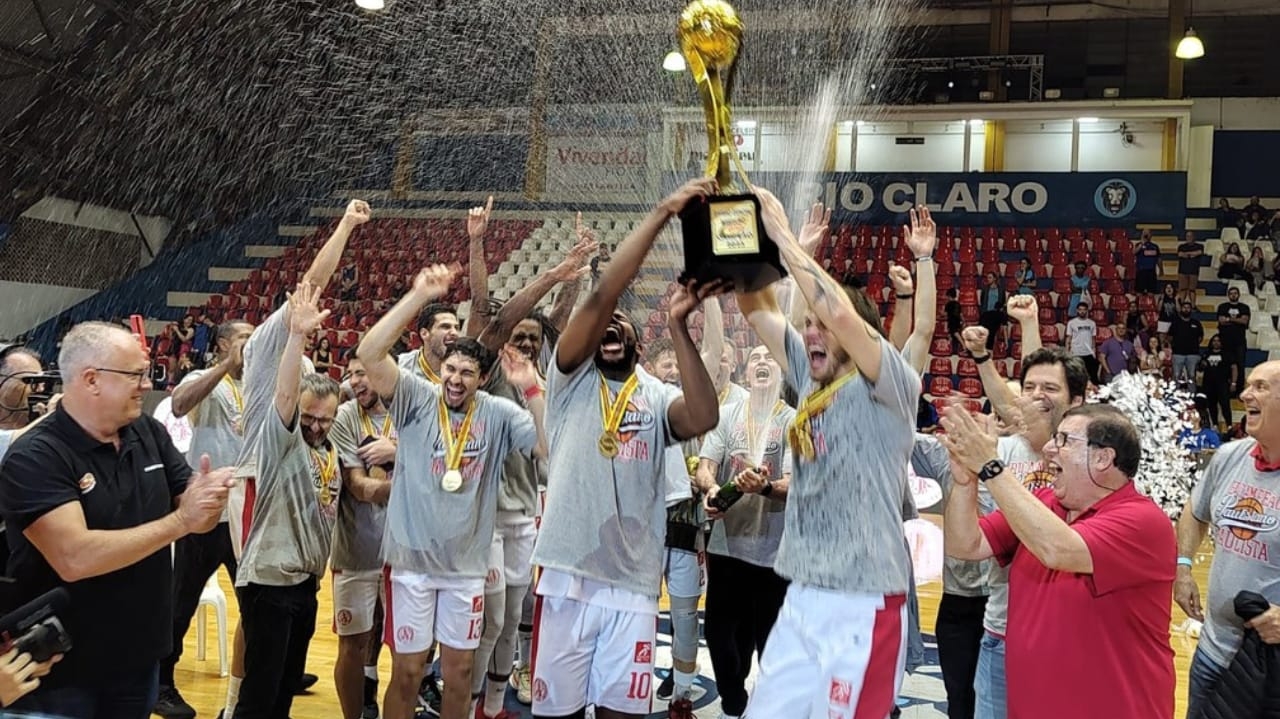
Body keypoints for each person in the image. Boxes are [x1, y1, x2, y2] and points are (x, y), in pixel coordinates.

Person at [528, 178, 721, 719]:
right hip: (567, 575)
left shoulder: (657, 396)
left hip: (633, 583)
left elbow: (704, 415)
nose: (611, 325)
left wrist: (680, 328)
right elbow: (602, 297)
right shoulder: (569, 378)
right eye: (604, 324)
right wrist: (662, 211)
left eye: (624, 326)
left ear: (638, 342)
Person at [731, 194, 919, 719]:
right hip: (801, 596)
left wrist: (787, 237)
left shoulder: (890, 387)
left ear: (859, 335)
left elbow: (837, 308)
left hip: (863, 603)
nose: (810, 330)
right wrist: (744, 237)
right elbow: (755, 307)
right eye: (808, 324)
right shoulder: (811, 378)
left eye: (821, 324)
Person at [0, 321, 235, 719]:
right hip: (58, 671)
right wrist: (180, 522)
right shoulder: (36, 456)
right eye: (136, 375)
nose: (147, 384)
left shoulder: (148, 432)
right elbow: (74, 557)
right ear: (91, 380)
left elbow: (198, 518)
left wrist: (207, 504)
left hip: (138, 659)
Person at [357, 265, 547, 719]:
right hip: (413, 565)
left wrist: (531, 388)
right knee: (406, 673)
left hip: (465, 569)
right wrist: (418, 294)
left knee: (459, 675)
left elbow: (545, 447)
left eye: (467, 372)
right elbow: (369, 351)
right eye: (450, 369)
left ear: (481, 379)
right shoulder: (417, 399)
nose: (456, 379)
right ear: (439, 370)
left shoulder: (498, 412)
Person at [941, 403, 1176, 719]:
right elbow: (964, 545)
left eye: (1065, 440)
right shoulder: (1045, 503)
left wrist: (991, 465)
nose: (1050, 448)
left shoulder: (1144, 522)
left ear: (1103, 458)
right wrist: (965, 483)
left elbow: (1057, 550)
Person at [955, 335, 1088, 719]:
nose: (1035, 396)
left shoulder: (1092, 465)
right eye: (1028, 387)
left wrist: (1028, 322)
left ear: (1076, 400)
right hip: (1001, 626)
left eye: (1049, 388)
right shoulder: (1002, 450)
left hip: (1066, 640)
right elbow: (971, 541)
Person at [234, 282, 344, 719]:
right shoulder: (282, 441)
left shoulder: (330, 450)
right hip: (269, 582)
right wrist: (297, 335)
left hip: (304, 585)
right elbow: (282, 396)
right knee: (259, 696)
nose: (316, 426)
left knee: (283, 692)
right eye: (310, 417)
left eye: (326, 419)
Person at [155, 319, 255, 719]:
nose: (251, 344)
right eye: (245, 338)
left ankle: (259, 671)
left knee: (257, 601)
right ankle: (162, 682)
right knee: (182, 602)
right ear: (224, 343)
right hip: (208, 510)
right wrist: (224, 365)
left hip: (247, 510)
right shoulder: (204, 377)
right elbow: (179, 405)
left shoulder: (258, 381)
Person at [1176, 360, 1280, 718]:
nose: (1245, 393)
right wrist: (1184, 566)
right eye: (1248, 384)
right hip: (1211, 653)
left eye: (1261, 387)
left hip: (1269, 669)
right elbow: (1194, 510)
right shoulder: (1229, 456)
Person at [696, 344, 795, 719]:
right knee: (720, 636)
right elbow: (706, 466)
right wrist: (710, 490)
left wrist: (765, 488)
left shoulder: (792, 420)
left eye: (770, 357)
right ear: (745, 372)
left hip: (774, 553)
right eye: (755, 358)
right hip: (726, 547)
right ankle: (733, 699)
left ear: (781, 371)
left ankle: (767, 706)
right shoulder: (727, 415)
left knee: (769, 640)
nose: (763, 362)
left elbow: (794, 483)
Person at [328, 357, 396, 719]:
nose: (356, 380)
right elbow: (356, 486)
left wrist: (400, 455)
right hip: (357, 547)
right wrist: (414, 480)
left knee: (407, 647)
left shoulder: (412, 405)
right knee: (351, 644)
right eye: (351, 373)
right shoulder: (345, 416)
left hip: (406, 552)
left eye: (364, 372)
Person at [1065, 302, 1099, 384]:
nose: (1082, 311)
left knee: (1092, 375)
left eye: (1084, 310)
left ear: (1087, 310)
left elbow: (1093, 338)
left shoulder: (1092, 323)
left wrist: (1094, 350)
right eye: (1080, 310)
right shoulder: (1072, 323)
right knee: (1075, 375)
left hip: (1088, 352)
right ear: (1077, 310)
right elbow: (1068, 338)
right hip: (1076, 352)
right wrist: (1067, 351)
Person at [1134, 230, 1162, 296]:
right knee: (1139, 292)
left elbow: (1158, 259)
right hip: (1141, 271)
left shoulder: (1155, 246)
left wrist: (1161, 269)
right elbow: (1134, 252)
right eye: (1144, 233)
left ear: (1151, 235)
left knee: (1151, 292)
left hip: (1151, 272)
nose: (1146, 235)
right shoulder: (1138, 245)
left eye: (1148, 233)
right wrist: (1142, 243)